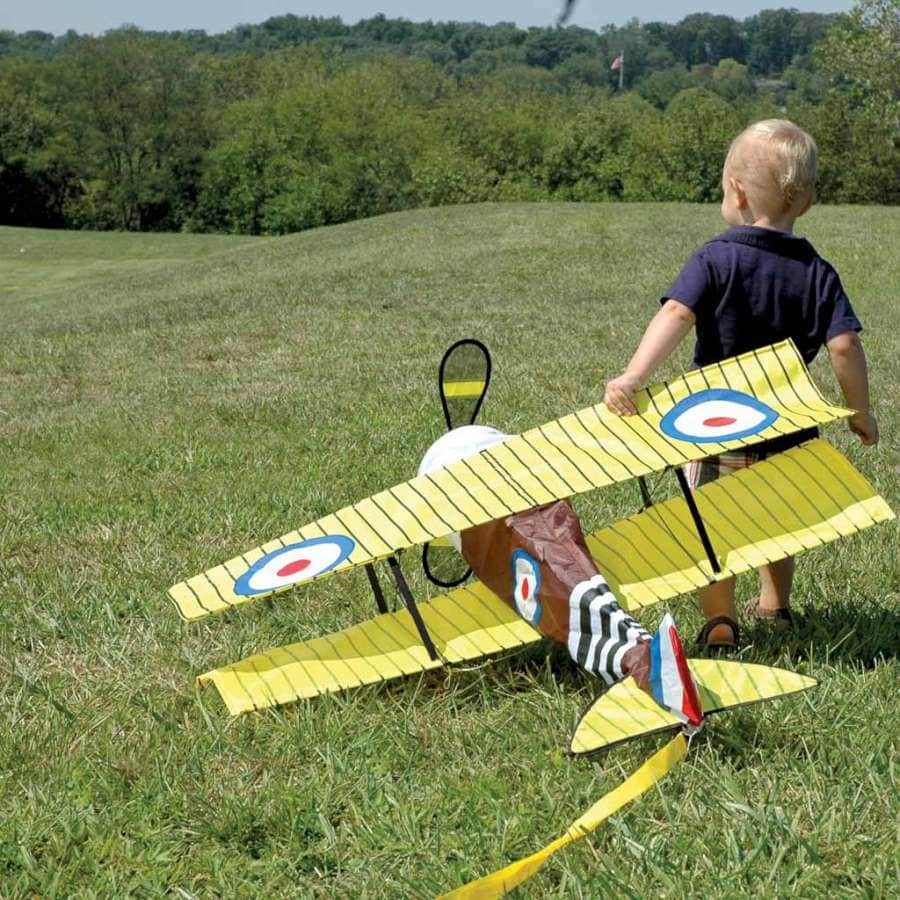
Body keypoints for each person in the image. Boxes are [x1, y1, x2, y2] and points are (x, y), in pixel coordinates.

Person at [603, 119, 879, 649]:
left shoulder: (714, 257)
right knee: (779, 519)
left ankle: (721, 625)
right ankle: (775, 606)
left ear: (735, 191)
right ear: (808, 202)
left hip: (713, 426)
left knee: (712, 525)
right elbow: (845, 346)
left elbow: (678, 314)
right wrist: (859, 412)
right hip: (788, 425)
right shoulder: (818, 271)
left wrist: (636, 375)